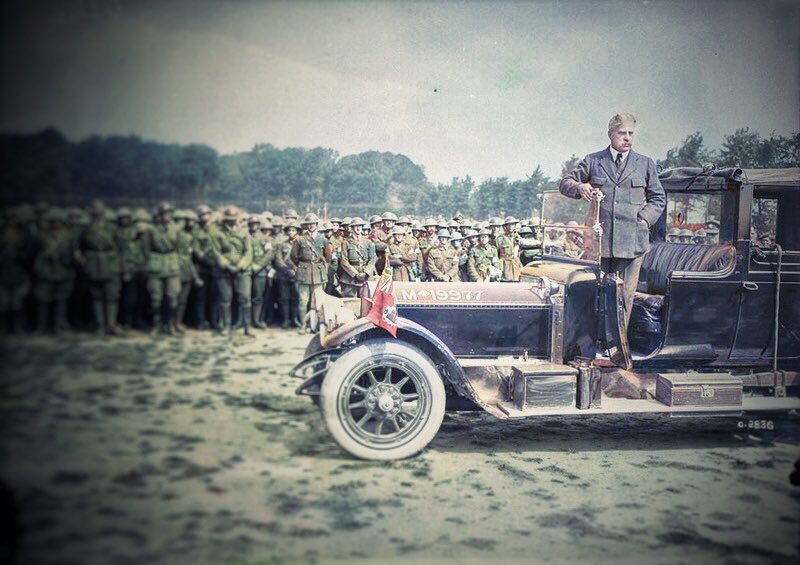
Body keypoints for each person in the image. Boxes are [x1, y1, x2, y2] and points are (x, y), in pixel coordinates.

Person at [559, 113, 666, 329]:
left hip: (632, 244)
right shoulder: (594, 161)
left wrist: (643, 220)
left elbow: (658, 198)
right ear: (610, 135)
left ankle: (618, 351)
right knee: (596, 295)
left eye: (630, 133)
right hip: (600, 244)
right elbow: (565, 183)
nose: (627, 138)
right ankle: (593, 347)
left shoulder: (645, 164)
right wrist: (580, 187)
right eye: (622, 133)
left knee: (624, 298)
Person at [292, 213, 328, 330]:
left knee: (318, 301)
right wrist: (304, 264)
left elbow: (327, 256)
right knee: (303, 301)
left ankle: (316, 326)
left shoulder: (323, 239)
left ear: (316, 224)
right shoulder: (300, 239)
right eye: (309, 224)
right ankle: (303, 325)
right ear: (306, 226)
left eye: (313, 223)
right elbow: (294, 256)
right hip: (304, 273)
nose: (311, 226)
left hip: (318, 274)